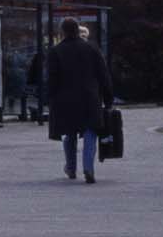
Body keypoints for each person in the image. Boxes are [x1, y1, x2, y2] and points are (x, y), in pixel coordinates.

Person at [46, 17, 114, 184]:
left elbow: (52, 79)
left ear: (63, 31)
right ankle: (88, 168)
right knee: (90, 132)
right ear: (78, 30)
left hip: (65, 99)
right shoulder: (92, 49)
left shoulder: (56, 51)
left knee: (69, 133)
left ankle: (70, 167)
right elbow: (103, 76)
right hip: (90, 98)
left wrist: (51, 99)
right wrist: (108, 99)